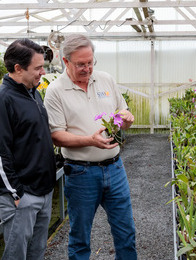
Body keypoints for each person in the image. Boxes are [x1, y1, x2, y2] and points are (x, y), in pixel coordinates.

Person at [44, 34, 137, 260]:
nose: (87, 69)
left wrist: (125, 119)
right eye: (80, 64)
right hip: (81, 172)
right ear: (65, 62)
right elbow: (56, 135)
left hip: (115, 169)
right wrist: (89, 140)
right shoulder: (55, 91)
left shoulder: (105, 79)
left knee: (126, 232)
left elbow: (119, 115)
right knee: (80, 237)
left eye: (90, 62)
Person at [0, 39, 56, 260]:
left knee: (36, 253)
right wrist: (16, 195)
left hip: (43, 191)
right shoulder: (1, 102)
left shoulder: (33, 92)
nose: (43, 72)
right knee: (17, 255)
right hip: (22, 197)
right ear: (18, 68)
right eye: (37, 68)